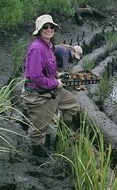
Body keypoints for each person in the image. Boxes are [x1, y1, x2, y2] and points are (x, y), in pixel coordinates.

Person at [21, 14, 81, 158]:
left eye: (51, 26)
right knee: (39, 129)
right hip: (40, 94)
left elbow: (50, 69)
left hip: (53, 89)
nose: (49, 29)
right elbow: (35, 76)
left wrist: (57, 76)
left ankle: (62, 134)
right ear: (39, 30)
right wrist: (55, 83)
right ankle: (37, 152)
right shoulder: (37, 48)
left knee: (73, 104)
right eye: (45, 27)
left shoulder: (49, 46)